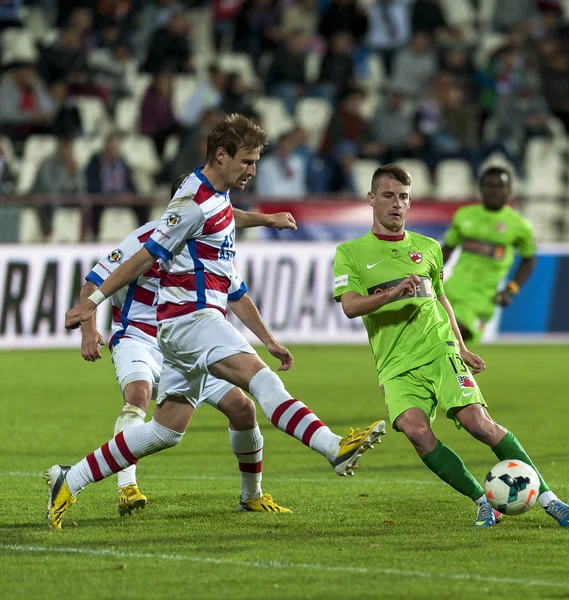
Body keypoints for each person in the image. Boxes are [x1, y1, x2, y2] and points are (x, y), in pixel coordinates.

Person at [49, 114, 386, 529]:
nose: (253, 170)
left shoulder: (215, 196)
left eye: (256, 161)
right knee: (260, 380)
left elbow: (225, 225)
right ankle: (333, 447)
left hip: (181, 327)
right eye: (246, 161)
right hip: (190, 320)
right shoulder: (193, 205)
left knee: (167, 430)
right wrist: (94, 301)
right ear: (221, 156)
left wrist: (266, 219)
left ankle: (71, 477)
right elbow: (145, 255)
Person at [333, 163, 569, 528]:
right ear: (371, 199)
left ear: (410, 201)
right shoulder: (351, 252)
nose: (396, 204)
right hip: (395, 364)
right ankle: (484, 502)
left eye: (403, 197)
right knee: (417, 433)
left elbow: (442, 300)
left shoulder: (428, 248)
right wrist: (390, 294)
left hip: (439, 350)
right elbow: (351, 306)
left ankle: (549, 498)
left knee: (479, 423)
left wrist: (461, 348)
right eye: (388, 196)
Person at [80, 175, 300, 515]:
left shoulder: (206, 244)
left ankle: (251, 495)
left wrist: (269, 341)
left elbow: (236, 294)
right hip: (138, 337)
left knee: (243, 409)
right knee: (138, 394)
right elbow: (93, 281)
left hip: (186, 343)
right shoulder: (142, 239)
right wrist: (89, 330)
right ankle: (127, 487)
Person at [441, 166, 536, 345]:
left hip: (482, 299)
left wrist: (511, 289)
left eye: (500, 186)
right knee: (447, 347)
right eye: (489, 185)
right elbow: (447, 250)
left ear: (509, 191)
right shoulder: (463, 216)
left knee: (452, 336)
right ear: (480, 188)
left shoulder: (519, 226)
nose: (494, 190)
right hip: (451, 290)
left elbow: (529, 259)